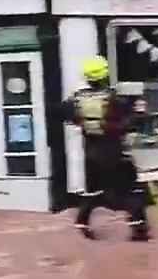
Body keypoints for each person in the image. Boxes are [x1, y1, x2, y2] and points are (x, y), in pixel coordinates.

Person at [60, 56, 150, 242]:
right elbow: (129, 124)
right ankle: (139, 228)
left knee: (93, 190)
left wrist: (85, 123)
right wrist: (140, 114)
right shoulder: (113, 98)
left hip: (91, 151)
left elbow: (68, 116)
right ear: (105, 75)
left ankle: (82, 222)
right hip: (114, 151)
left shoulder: (76, 99)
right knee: (132, 190)